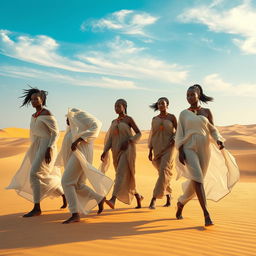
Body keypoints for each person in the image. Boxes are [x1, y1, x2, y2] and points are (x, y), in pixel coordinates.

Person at [175, 84, 240, 226]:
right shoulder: (183, 114)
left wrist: (218, 140)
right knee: (197, 179)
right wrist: (180, 150)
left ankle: (181, 202)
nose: (189, 97)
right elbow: (179, 133)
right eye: (187, 95)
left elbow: (213, 129)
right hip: (188, 148)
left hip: (204, 149)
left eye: (192, 94)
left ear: (198, 94)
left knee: (197, 180)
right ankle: (206, 214)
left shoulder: (207, 112)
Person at [6, 87, 66, 217]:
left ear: (42, 100)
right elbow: (33, 133)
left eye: (36, 99)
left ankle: (37, 208)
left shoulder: (47, 114)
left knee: (34, 174)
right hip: (36, 146)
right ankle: (63, 193)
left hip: (46, 146)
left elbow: (55, 133)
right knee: (39, 175)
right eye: (32, 99)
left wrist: (49, 148)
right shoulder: (33, 116)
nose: (33, 101)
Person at [57, 108, 113, 224]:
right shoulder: (75, 128)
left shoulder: (79, 116)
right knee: (78, 184)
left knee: (66, 182)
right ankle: (99, 199)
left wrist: (79, 140)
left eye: (68, 117)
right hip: (77, 155)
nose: (67, 120)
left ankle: (75, 214)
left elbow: (97, 124)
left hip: (80, 154)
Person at [100, 99, 143, 209]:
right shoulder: (113, 122)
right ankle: (138, 196)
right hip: (116, 152)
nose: (116, 108)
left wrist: (129, 141)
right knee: (125, 176)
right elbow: (110, 139)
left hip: (127, 151)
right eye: (115, 106)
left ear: (124, 106)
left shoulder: (129, 119)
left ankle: (113, 199)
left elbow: (139, 133)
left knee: (119, 174)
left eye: (118, 106)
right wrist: (105, 151)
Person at [148, 97, 177, 209]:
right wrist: (150, 150)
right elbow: (152, 134)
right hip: (157, 148)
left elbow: (178, 130)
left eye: (162, 104)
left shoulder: (172, 117)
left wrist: (174, 138)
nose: (160, 105)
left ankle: (154, 199)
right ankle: (169, 195)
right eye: (159, 104)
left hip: (169, 148)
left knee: (164, 170)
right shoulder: (154, 118)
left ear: (167, 105)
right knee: (163, 174)